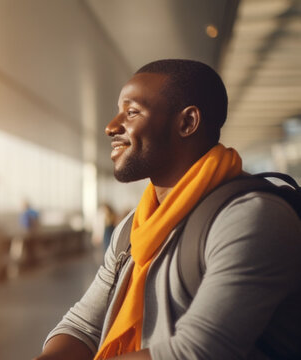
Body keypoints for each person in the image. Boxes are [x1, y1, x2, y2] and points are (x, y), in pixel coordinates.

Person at [35, 59, 301, 359]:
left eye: (132, 112)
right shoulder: (134, 227)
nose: (111, 126)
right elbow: (83, 327)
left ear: (187, 123)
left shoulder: (251, 218)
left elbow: (197, 353)